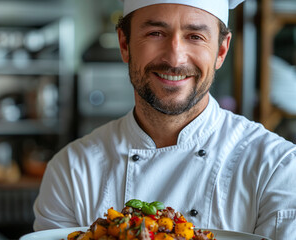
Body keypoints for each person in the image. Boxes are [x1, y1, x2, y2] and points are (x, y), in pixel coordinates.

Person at [33, 0, 296, 239]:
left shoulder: (276, 168)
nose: (175, 58)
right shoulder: (72, 171)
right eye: (155, 33)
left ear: (221, 51)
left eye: (195, 36)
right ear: (124, 44)